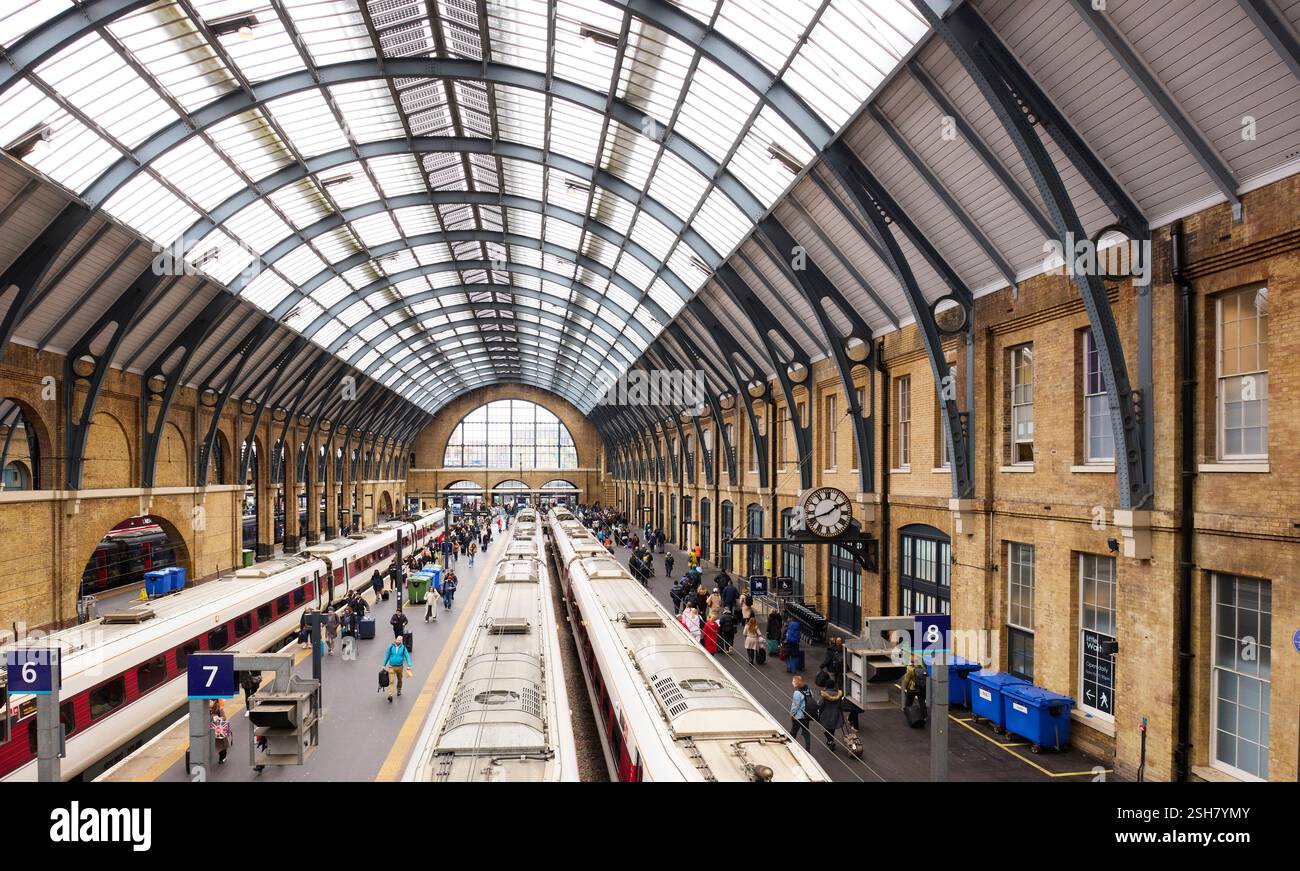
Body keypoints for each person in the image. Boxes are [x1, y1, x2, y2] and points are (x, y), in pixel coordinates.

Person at [818, 675, 845, 752]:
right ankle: (831, 740)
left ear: (826, 686)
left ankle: (830, 741)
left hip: (826, 714)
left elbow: (820, 705)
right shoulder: (838, 694)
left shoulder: (824, 695)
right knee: (832, 728)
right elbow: (841, 705)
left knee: (824, 728)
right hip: (836, 714)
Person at [382, 635, 412, 702]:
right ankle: (390, 695)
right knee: (391, 681)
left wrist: (409, 665)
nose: (398, 641)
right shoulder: (391, 647)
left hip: (399, 667)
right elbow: (387, 656)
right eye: (397, 640)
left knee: (399, 679)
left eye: (399, 640)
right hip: (391, 667)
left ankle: (399, 689)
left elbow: (407, 656)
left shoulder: (403, 648)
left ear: (401, 641)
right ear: (395, 640)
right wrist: (384, 665)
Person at [790, 675, 815, 752]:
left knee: (793, 732)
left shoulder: (797, 693)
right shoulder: (809, 691)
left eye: (793, 681)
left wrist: (792, 714)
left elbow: (795, 705)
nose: (792, 683)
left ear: (797, 683)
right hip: (806, 715)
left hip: (798, 716)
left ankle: (791, 746)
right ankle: (808, 749)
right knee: (806, 732)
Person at [210, 698, 231, 763]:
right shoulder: (205, 709)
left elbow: (224, 717)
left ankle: (222, 757)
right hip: (209, 730)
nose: (210, 702)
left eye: (211, 701)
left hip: (218, 729)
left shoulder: (218, 708)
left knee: (221, 744)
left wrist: (218, 718)